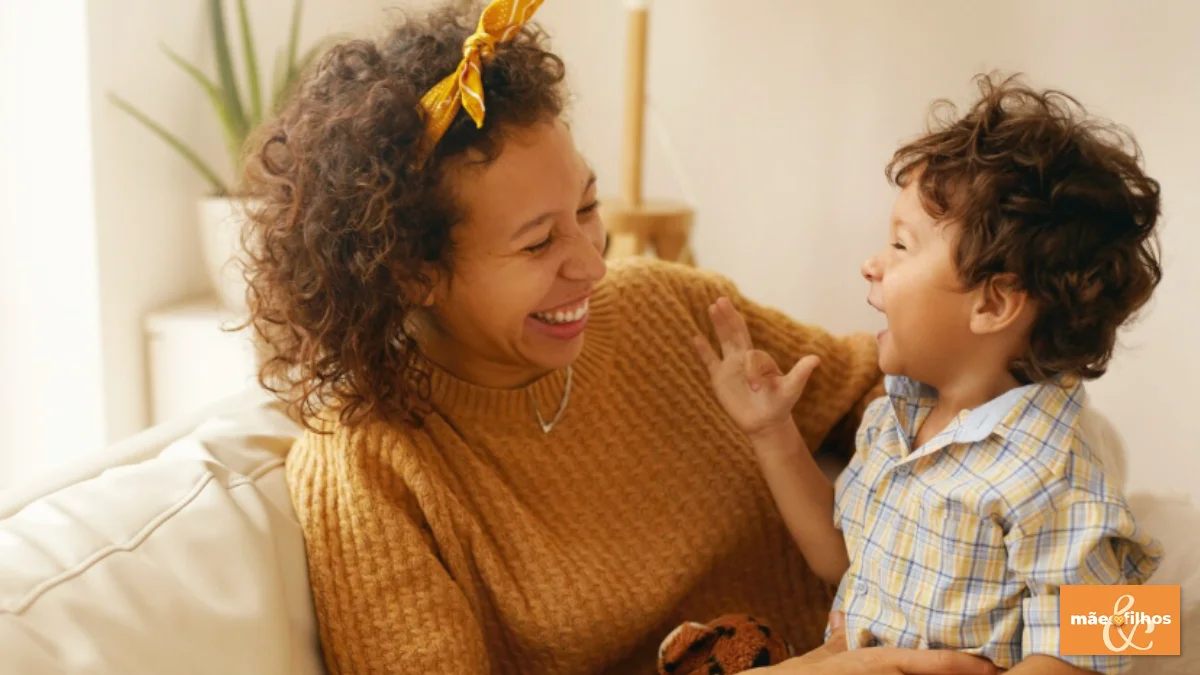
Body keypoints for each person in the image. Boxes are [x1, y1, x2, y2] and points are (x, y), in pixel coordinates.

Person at [238, 1, 997, 673]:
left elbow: (889, 383)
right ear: (414, 273)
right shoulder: (369, 471)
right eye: (539, 243)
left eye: (588, 207)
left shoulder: (666, 310)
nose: (595, 265)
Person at [695, 74, 1163, 673]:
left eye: (900, 246)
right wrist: (771, 432)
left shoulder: (1058, 467)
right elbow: (841, 559)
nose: (871, 264)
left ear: (993, 303)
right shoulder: (894, 417)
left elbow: (1116, 637)